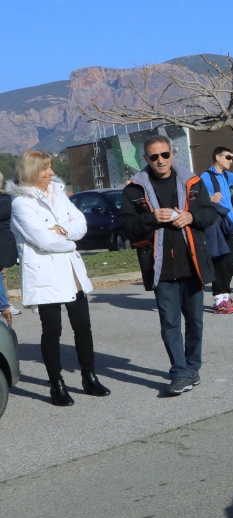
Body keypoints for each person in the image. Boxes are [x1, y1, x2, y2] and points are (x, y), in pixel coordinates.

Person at [119, 135, 218, 396]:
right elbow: (126, 226)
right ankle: (179, 371)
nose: (160, 161)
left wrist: (191, 216)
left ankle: (192, 367)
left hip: (192, 264)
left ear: (172, 154)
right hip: (160, 267)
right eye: (154, 157)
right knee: (170, 323)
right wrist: (151, 218)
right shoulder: (133, 189)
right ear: (146, 159)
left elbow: (209, 214)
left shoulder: (193, 182)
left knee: (195, 321)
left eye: (164, 155)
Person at [9, 151, 110, 406]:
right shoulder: (21, 204)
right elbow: (42, 240)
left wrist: (62, 230)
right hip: (45, 274)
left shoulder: (58, 193)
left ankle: (89, 376)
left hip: (71, 271)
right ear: (32, 171)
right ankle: (57, 384)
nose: (51, 173)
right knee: (52, 331)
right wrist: (69, 241)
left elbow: (81, 224)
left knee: (83, 327)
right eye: (45, 169)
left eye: (51, 168)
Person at [200, 147, 233, 314]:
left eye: (232, 158)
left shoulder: (227, 176)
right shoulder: (206, 177)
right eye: (228, 157)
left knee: (228, 262)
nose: (230, 161)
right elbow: (193, 197)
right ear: (217, 157)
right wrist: (210, 198)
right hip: (215, 224)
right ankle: (219, 300)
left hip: (228, 223)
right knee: (220, 261)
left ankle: (225, 297)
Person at [0, 174, 19, 325]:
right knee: (1, 274)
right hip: (6, 243)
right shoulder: (8, 200)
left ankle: (4, 305)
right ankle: (5, 305)